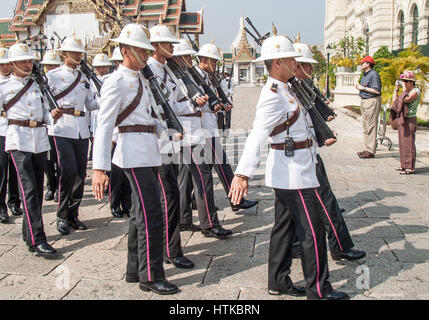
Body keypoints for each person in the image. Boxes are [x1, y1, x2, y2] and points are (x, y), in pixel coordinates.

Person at [229, 34, 349, 300]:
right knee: (312, 231)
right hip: (295, 175)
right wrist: (242, 174)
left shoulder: (285, 88)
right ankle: (318, 289)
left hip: (289, 170)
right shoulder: (274, 94)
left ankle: (278, 281)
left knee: (283, 228)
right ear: (279, 62)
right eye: (292, 58)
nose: (296, 62)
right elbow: (257, 133)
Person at [92, 23, 179, 295]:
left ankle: (134, 270)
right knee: (152, 214)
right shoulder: (115, 81)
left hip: (148, 150)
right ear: (126, 51)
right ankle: (151, 276)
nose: (146, 54)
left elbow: (151, 116)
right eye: (142, 49)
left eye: (147, 49)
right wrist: (99, 168)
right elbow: (104, 126)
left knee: (139, 215)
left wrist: (167, 132)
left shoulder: (143, 79)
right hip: (132, 154)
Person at [294, 41, 366, 261]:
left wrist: (321, 131)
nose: (311, 70)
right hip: (302, 158)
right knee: (326, 202)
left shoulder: (298, 89)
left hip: (303, 155)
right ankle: (340, 245)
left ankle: (295, 245)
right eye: (307, 65)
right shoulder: (289, 91)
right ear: (296, 66)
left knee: (291, 210)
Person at [0, 43, 63, 256]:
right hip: (18, 141)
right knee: (29, 192)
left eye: (29, 61)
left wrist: (51, 116)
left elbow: (43, 114)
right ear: (13, 64)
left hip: (38, 139)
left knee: (36, 189)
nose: (28, 65)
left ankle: (29, 236)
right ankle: (38, 238)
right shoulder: (4, 87)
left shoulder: (37, 85)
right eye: (23, 61)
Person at [147, 24, 198, 266]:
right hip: (159, 144)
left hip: (173, 142)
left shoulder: (168, 71)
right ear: (155, 46)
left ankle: (169, 247)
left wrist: (195, 103)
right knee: (168, 198)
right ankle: (170, 249)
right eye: (167, 44)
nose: (172, 47)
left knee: (173, 197)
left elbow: (177, 104)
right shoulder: (148, 72)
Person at [171, 39, 232, 238]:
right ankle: (210, 224)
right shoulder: (175, 78)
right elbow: (173, 106)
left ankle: (184, 219)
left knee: (184, 178)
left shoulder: (182, 76)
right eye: (187, 56)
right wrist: (194, 103)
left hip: (188, 132)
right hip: (186, 133)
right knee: (202, 177)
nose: (190, 59)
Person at [196, 41, 259, 213]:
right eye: (213, 61)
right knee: (221, 164)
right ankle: (235, 200)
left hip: (208, 126)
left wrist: (221, 104)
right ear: (205, 59)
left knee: (205, 169)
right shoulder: (195, 76)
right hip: (201, 128)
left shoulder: (206, 76)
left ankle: (197, 202)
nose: (215, 65)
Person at [47, 34, 98, 235]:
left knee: (79, 173)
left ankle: (73, 214)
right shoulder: (52, 76)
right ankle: (61, 214)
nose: (78, 56)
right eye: (75, 52)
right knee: (67, 172)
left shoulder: (85, 77)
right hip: (62, 127)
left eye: (80, 53)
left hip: (80, 128)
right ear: (65, 53)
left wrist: (109, 98)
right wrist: (50, 115)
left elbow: (91, 104)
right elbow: (45, 102)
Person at [0, 47, 22, 223]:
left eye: (7, 64)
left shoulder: (22, 82)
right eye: (1, 65)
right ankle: (1, 206)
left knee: (15, 170)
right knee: (2, 170)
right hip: (1, 130)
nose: (5, 68)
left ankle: (14, 201)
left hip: (18, 132)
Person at [40, 50, 61, 202]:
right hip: (47, 127)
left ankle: (59, 188)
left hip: (60, 127)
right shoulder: (42, 82)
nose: (51, 68)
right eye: (49, 66)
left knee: (61, 162)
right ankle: (50, 186)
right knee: (49, 161)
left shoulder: (61, 80)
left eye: (54, 65)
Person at [392, 71, 420, 175]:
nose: (404, 83)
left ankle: (410, 167)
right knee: (402, 143)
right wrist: (396, 89)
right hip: (403, 119)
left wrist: (404, 91)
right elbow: (395, 100)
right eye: (403, 81)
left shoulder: (415, 91)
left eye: (406, 81)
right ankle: (404, 164)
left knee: (409, 143)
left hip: (410, 119)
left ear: (411, 82)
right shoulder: (405, 91)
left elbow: (407, 100)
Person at [355, 56, 382, 159]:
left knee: (371, 126)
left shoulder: (373, 75)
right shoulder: (365, 75)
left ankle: (371, 150)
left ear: (368, 64)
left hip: (371, 101)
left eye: (363, 63)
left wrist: (363, 88)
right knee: (365, 126)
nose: (361, 65)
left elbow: (377, 90)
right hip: (364, 100)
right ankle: (367, 148)